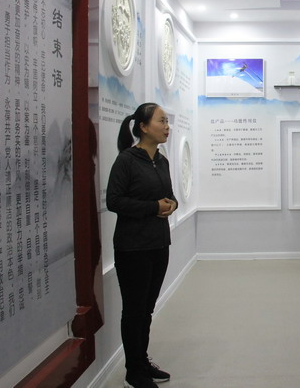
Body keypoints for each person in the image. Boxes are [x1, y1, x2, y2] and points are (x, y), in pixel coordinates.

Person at [106, 103, 178, 388]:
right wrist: (153, 207)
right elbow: (114, 201)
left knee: (146, 309)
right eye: (162, 121)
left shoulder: (162, 161)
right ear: (143, 127)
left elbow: (169, 195)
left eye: (167, 121)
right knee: (134, 310)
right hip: (132, 248)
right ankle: (133, 372)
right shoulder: (126, 160)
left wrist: (172, 205)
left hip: (159, 244)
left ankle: (142, 361)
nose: (167, 127)